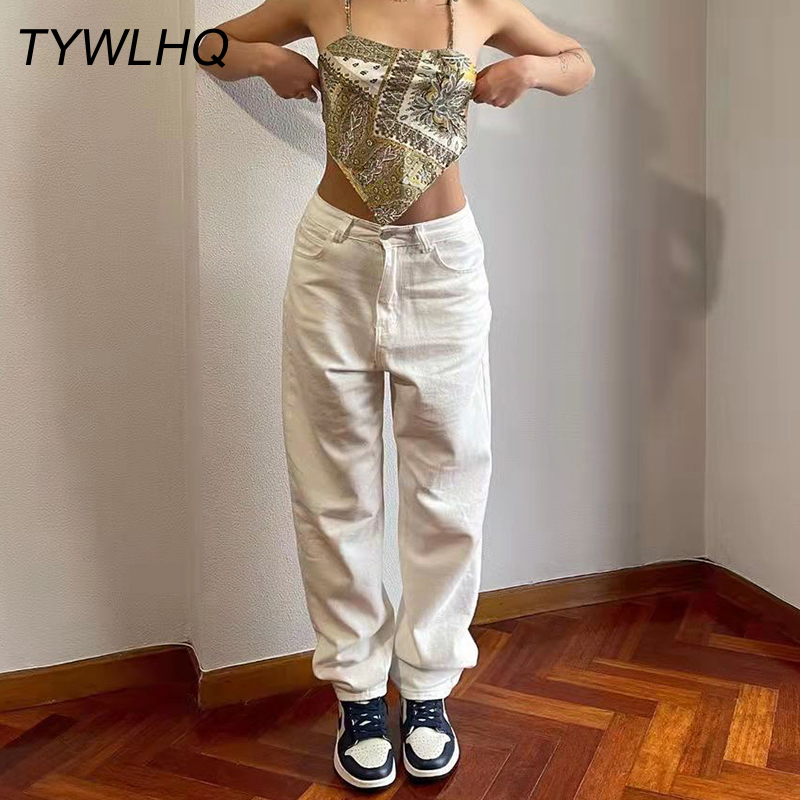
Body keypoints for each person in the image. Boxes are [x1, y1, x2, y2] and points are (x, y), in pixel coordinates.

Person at [199, 0, 594, 789]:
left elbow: (579, 63)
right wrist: (266, 60)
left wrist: (530, 70)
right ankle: (358, 695)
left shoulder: (475, 5)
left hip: (443, 267)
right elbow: (209, 45)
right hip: (334, 263)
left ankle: (427, 688)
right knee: (333, 490)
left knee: (448, 488)